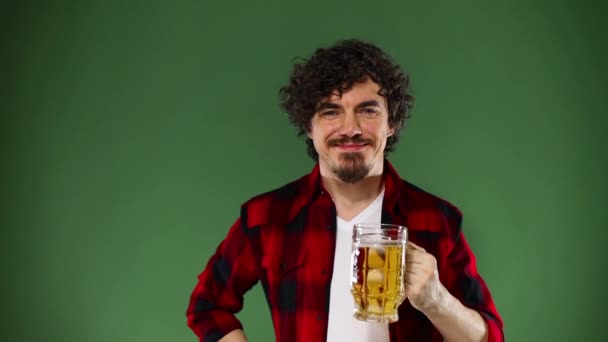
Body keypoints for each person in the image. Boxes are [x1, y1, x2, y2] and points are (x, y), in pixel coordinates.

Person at [186, 39, 503, 342]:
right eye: (330, 111)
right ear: (309, 126)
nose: (350, 128)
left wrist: (436, 300)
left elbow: (489, 338)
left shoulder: (438, 220)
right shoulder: (266, 217)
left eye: (368, 110)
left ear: (391, 122)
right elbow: (207, 305)